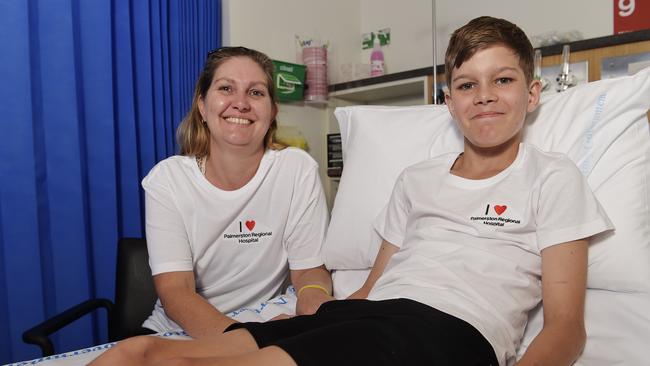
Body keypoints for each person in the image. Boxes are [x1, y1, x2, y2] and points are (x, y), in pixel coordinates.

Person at [90, 17, 612, 366]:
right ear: (448, 101)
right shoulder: (416, 180)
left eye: (503, 81)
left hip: (450, 331)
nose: (485, 98)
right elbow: (373, 288)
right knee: (138, 354)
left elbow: (565, 326)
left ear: (534, 92)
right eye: (468, 85)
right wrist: (318, 317)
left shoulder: (552, 175)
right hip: (367, 318)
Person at [137, 46, 333, 340]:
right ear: (202, 106)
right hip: (183, 331)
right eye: (226, 88)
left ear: (272, 111)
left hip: (269, 320)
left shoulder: (297, 169)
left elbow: (309, 272)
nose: (240, 103)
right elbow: (176, 292)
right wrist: (242, 340)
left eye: (255, 93)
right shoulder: (168, 180)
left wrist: (317, 307)